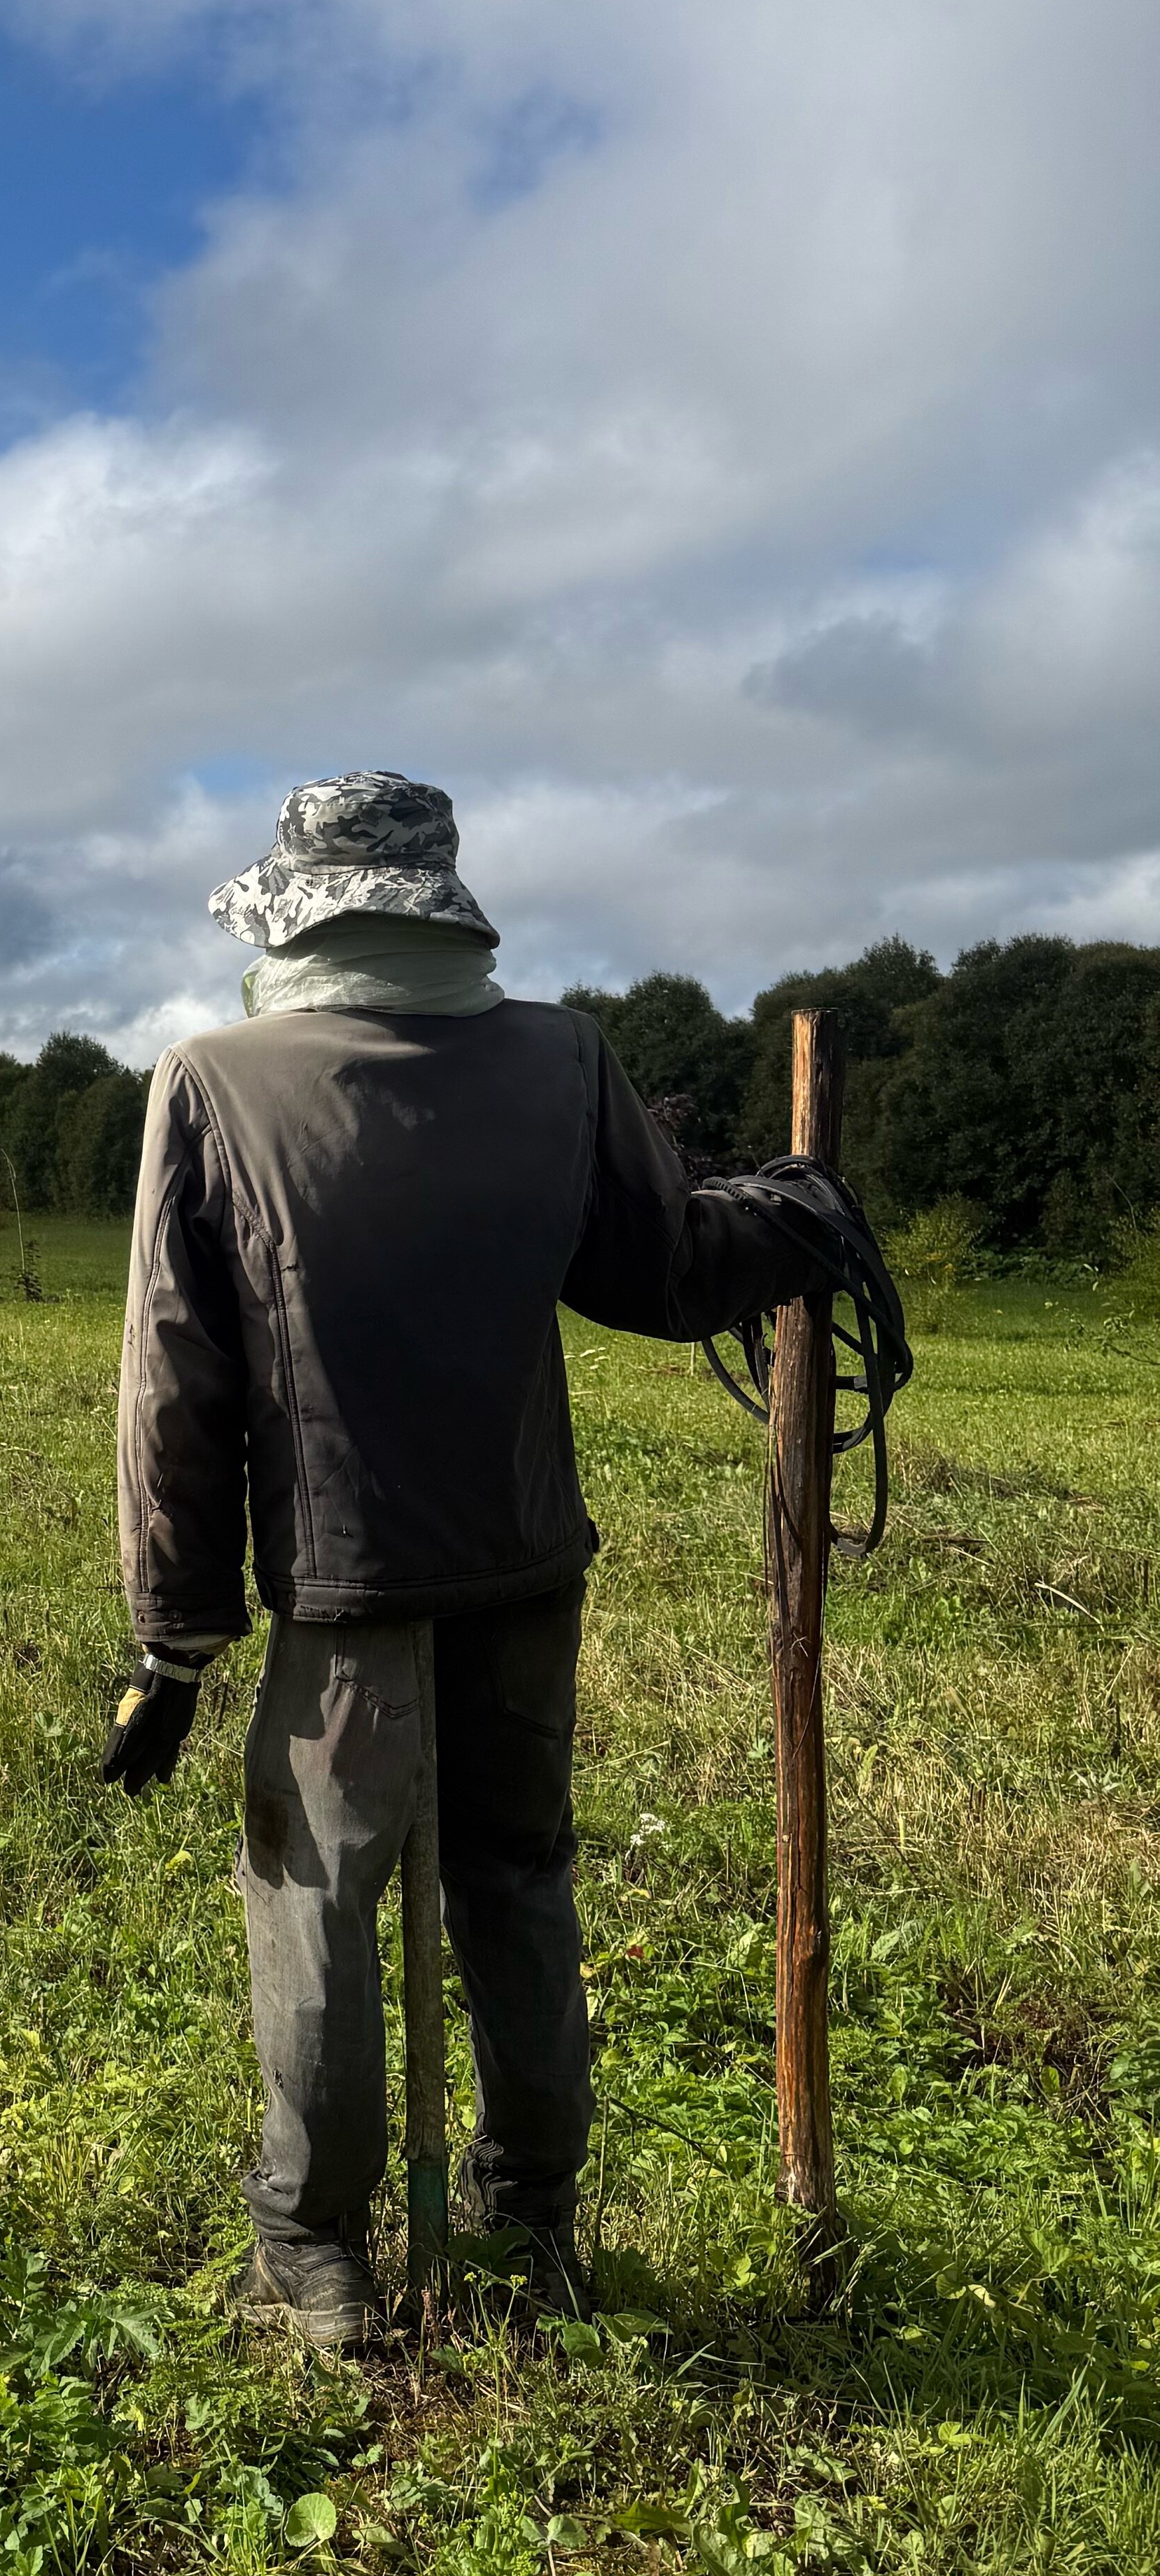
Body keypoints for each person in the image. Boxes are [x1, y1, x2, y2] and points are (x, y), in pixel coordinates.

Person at [107, 770, 843, 2353]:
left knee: (318, 1897)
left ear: (295, 909)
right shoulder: (562, 1059)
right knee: (519, 1881)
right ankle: (537, 2217)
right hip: (523, 1564)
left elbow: (178, 1378)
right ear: (442, 903)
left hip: (343, 1589)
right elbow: (664, 1271)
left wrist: (173, 1641)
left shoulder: (213, 1083)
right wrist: (801, 1221)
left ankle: (315, 2252)